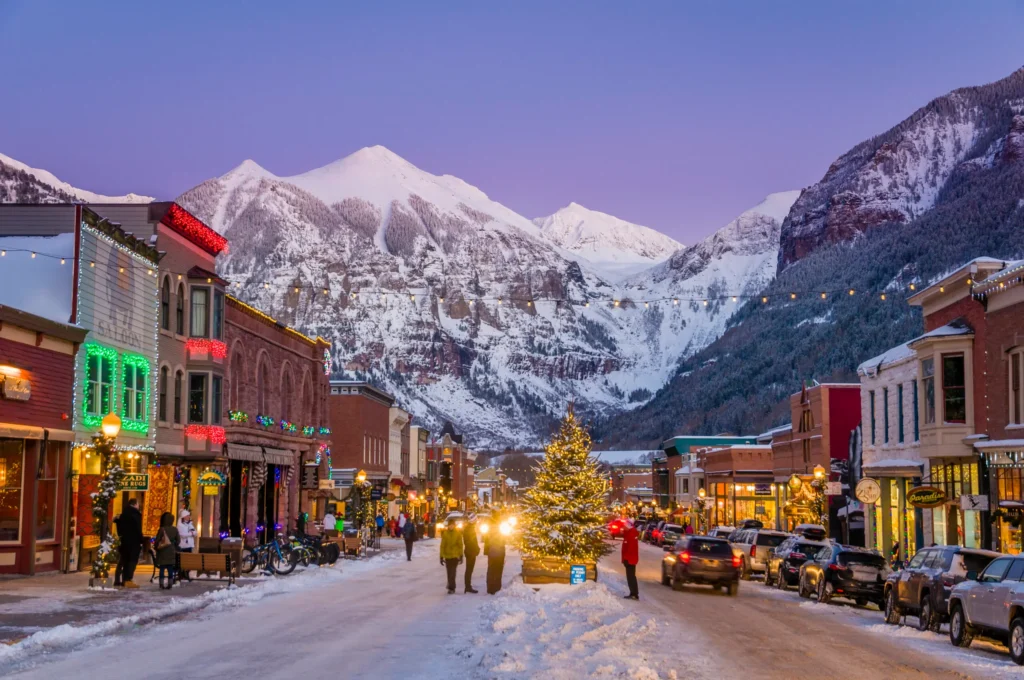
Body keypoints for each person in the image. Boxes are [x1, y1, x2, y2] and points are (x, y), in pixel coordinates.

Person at [113, 498, 144, 588]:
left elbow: (119, 529)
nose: (138, 506)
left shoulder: (123, 514)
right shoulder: (135, 514)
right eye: (138, 504)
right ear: (135, 504)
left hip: (124, 541)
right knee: (132, 561)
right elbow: (138, 529)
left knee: (124, 560)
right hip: (134, 542)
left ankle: (119, 580)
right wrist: (141, 540)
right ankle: (128, 579)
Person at [153, 512, 180, 590]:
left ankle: (161, 584)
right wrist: (173, 545)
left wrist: (156, 547)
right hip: (171, 551)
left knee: (162, 568)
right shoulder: (175, 529)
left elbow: (157, 540)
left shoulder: (162, 529)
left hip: (163, 551)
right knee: (170, 568)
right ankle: (170, 584)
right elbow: (178, 541)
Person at [439, 518, 464, 594]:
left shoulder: (458, 533)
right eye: (450, 525)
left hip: (455, 556)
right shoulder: (445, 534)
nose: (451, 526)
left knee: (453, 572)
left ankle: (452, 588)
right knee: (449, 572)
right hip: (447, 556)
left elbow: (460, 545)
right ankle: (450, 584)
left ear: (454, 525)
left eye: (452, 525)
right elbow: (442, 546)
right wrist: (441, 556)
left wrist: (461, 555)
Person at [176, 509, 196, 582]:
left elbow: (195, 532)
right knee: (183, 561)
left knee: (188, 561)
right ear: (184, 516)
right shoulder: (180, 525)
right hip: (183, 546)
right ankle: (182, 574)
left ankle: (186, 574)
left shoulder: (190, 524)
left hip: (189, 545)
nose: (189, 517)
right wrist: (191, 533)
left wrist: (191, 533)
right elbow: (182, 535)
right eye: (187, 515)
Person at [486, 521, 506, 595]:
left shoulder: (489, 532)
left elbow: (486, 543)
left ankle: (490, 588)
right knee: (498, 571)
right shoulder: (501, 532)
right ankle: (497, 587)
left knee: (491, 570)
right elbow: (503, 543)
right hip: (499, 554)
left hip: (491, 554)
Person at [462, 514, 481, 593]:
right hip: (470, 552)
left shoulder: (470, 528)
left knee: (469, 570)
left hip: (471, 551)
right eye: (475, 520)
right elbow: (470, 542)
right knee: (469, 570)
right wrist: (476, 549)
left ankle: (468, 586)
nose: (476, 521)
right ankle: (467, 587)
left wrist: (477, 548)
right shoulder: (469, 529)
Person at [621, 519, 639, 600]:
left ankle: (634, 594)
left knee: (631, 577)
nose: (623, 527)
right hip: (630, 559)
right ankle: (633, 593)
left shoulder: (631, 534)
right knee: (630, 576)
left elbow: (631, 549)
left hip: (630, 560)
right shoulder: (629, 533)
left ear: (628, 526)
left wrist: (626, 559)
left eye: (624, 525)